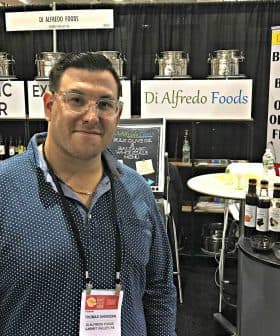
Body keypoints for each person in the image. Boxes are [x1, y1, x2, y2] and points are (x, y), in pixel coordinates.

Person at [0, 52, 177, 335]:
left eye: (104, 104)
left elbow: (159, 291)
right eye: (76, 100)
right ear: (49, 105)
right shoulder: (5, 188)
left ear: (117, 115)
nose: (91, 116)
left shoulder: (137, 192)